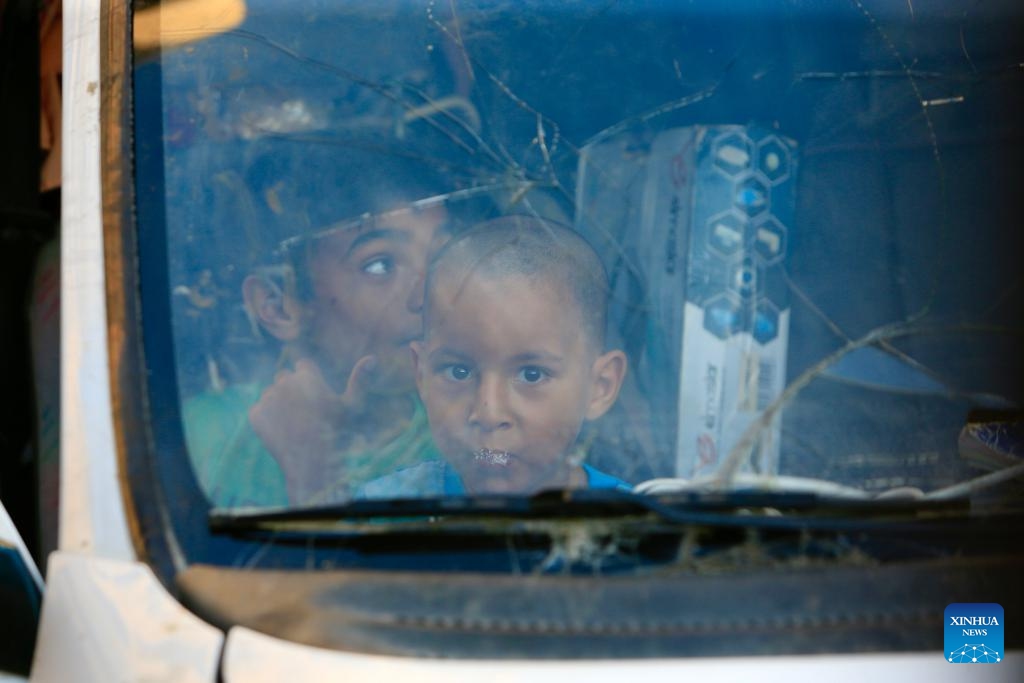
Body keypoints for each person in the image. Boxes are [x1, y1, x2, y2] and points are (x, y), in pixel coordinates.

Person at [182, 156, 455, 508]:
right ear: (277, 306)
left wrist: (313, 475)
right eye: (380, 265)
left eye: (445, 255)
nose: (430, 294)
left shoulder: (475, 437)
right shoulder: (204, 439)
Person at [360, 216, 631, 497]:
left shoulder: (645, 529)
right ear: (422, 375)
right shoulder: (377, 517)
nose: (488, 414)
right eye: (458, 372)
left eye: (532, 374)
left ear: (600, 387)